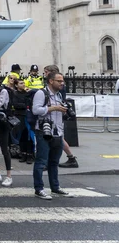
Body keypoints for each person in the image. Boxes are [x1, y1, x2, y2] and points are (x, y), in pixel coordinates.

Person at [32, 70, 73, 199]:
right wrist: (53, 108)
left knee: (54, 162)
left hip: (57, 132)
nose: (62, 83)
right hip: (44, 132)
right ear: (51, 81)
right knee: (41, 161)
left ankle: (55, 187)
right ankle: (39, 188)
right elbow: (36, 110)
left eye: (63, 81)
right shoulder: (41, 93)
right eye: (59, 81)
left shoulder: (59, 95)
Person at [43, 64, 79, 168]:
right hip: (56, 112)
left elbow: (60, 98)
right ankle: (70, 158)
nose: (45, 74)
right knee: (57, 138)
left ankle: (68, 158)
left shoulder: (58, 85)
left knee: (56, 138)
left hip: (56, 113)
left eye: (46, 72)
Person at [12, 78, 35, 164]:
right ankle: (23, 153)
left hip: (27, 116)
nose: (23, 85)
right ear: (16, 85)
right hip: (19, 116)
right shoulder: (15, 94)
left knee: (29, 136)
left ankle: (30, 154)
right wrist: (25, 105)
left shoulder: (28, 93)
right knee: (22, 136)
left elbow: (31, 103)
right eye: (21, 83)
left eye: (23, 83)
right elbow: (15, 104)